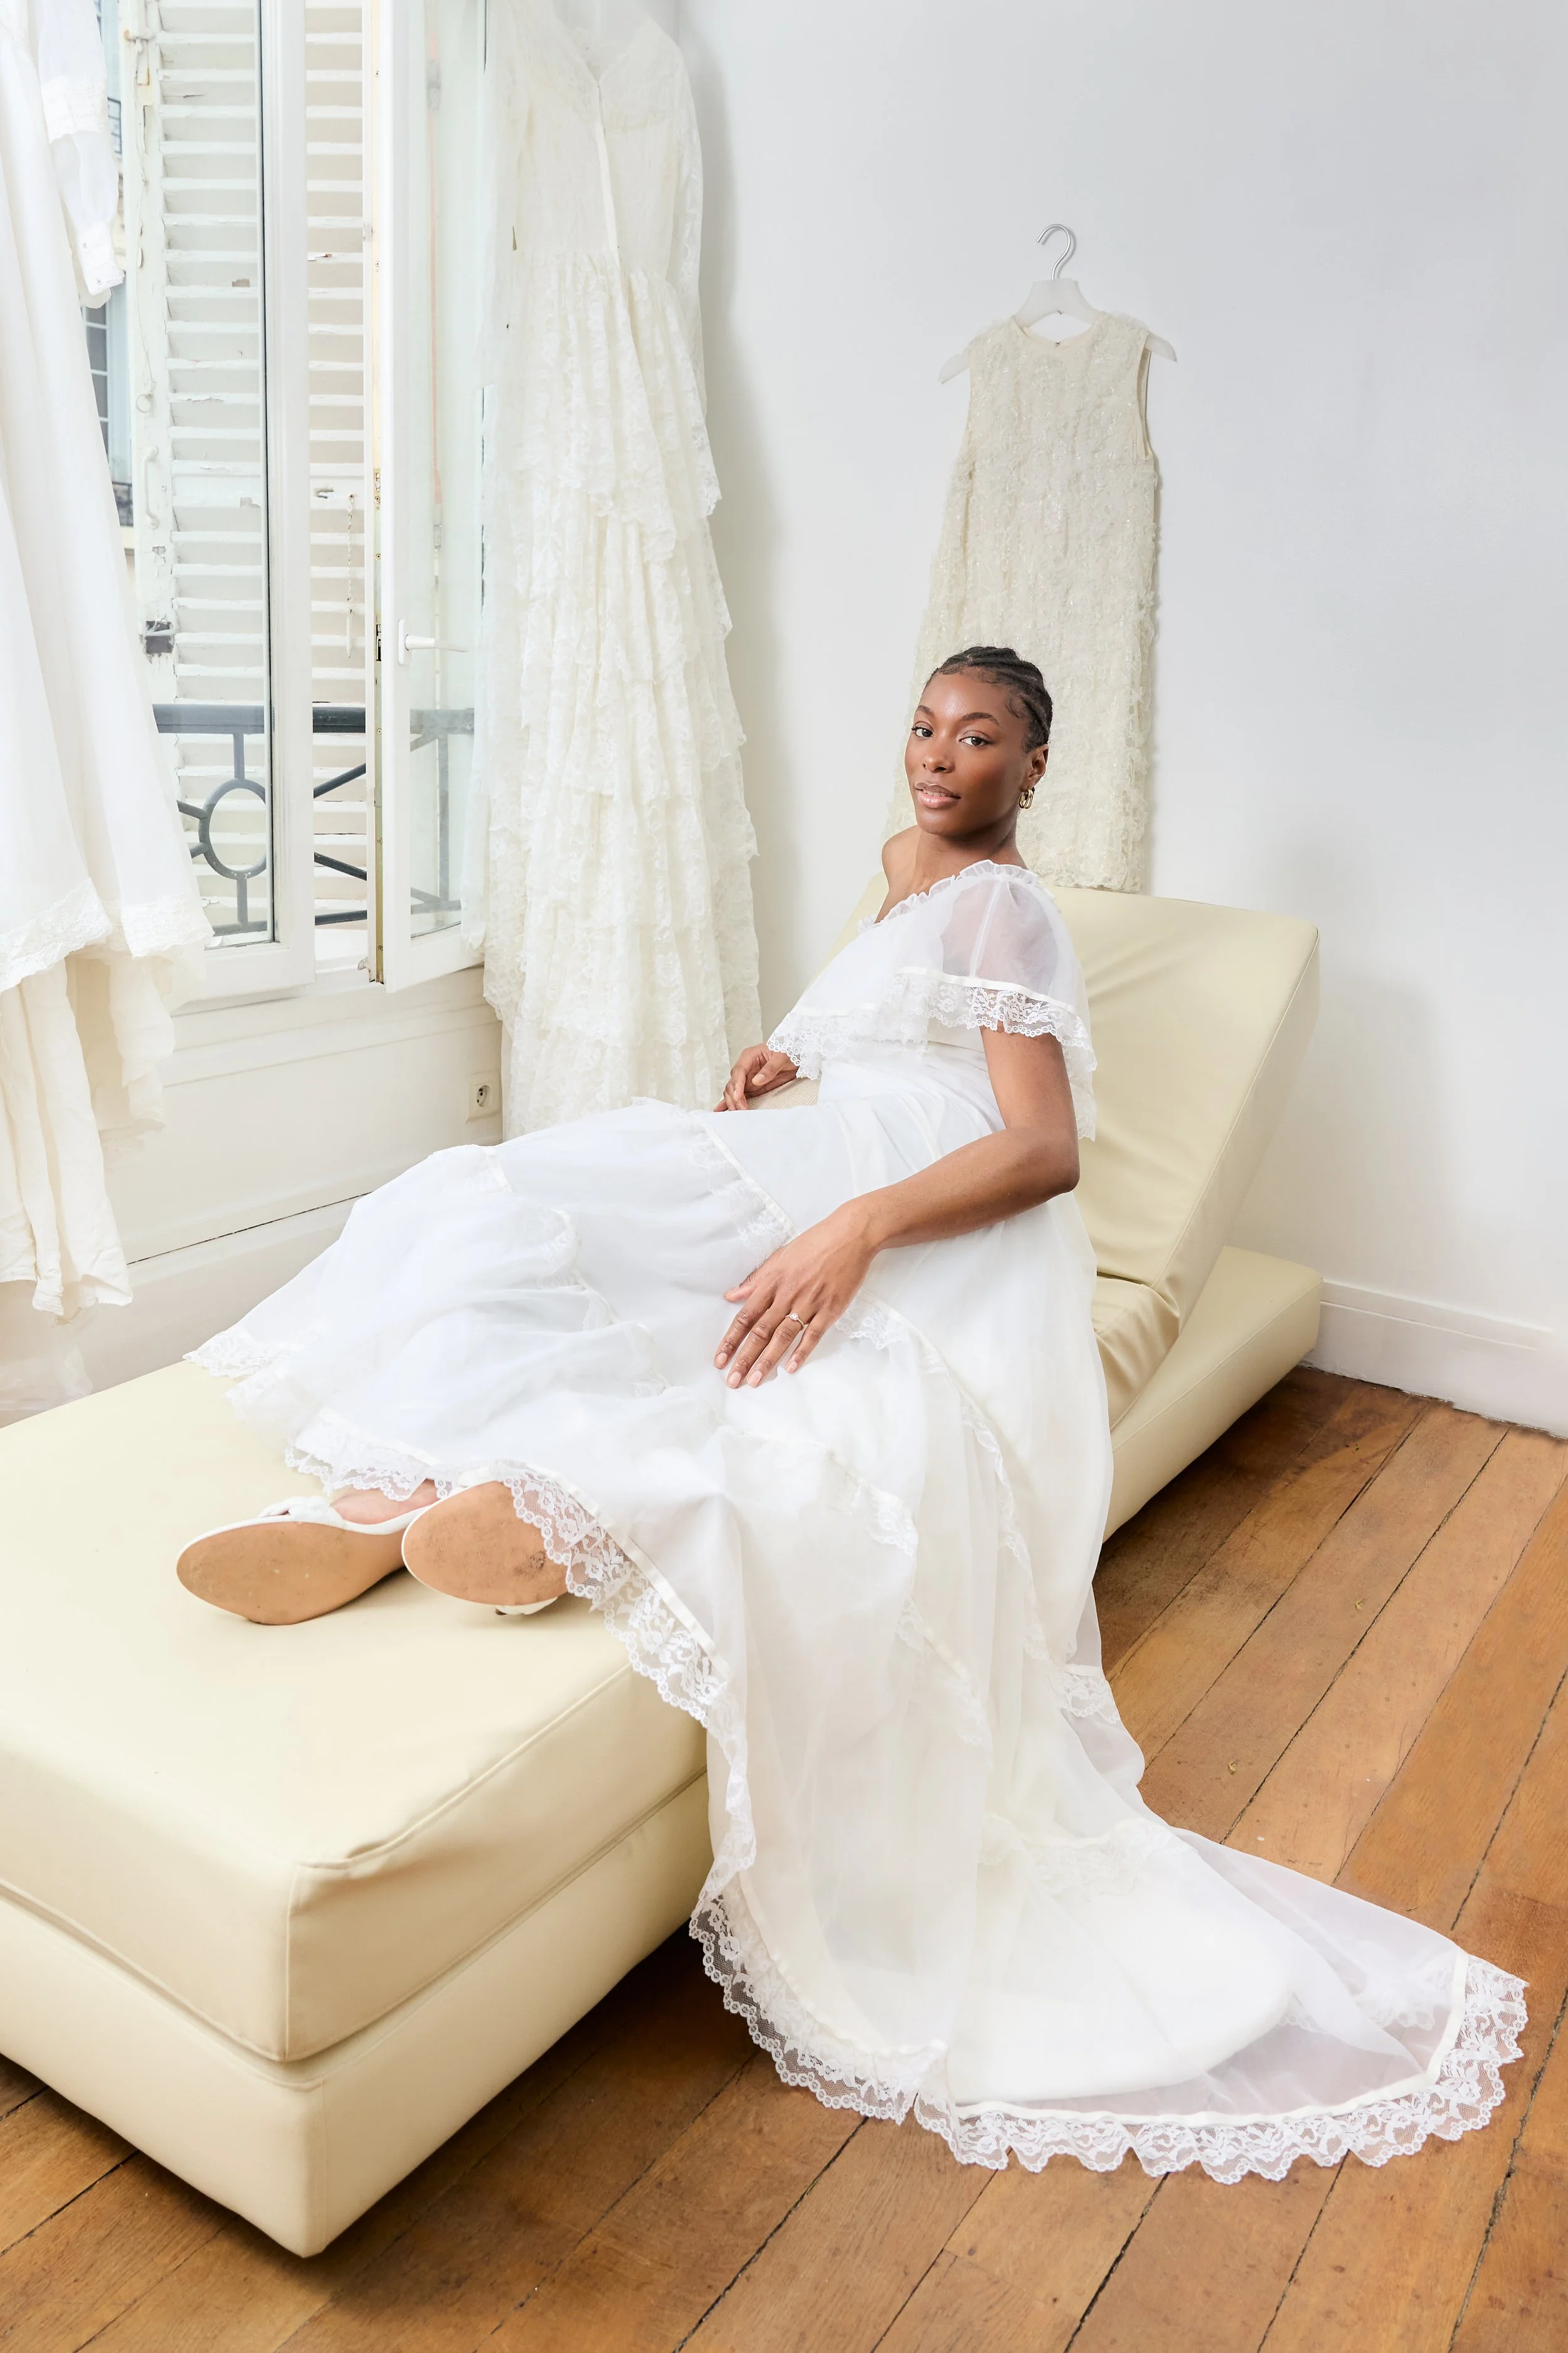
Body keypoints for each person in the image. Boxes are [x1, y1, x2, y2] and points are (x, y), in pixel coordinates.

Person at [179, 647, 1523, 2180]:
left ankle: (463, 1494)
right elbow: (888, 1039)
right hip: (829, 1152)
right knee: (541, 1245)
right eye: (923, 727)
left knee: (502, 1208)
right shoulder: (900, 872)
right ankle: (407, 1502)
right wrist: (789, 1057)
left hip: (919, 1218)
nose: (938, 758)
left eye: (980, 738)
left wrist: (854, 1228)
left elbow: (1042, 1146)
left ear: (1031, 771)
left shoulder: (1008, 905)